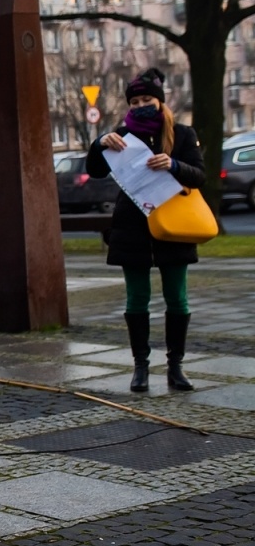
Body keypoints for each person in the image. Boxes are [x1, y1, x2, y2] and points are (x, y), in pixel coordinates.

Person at [86, 68, 205, 393]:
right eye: (135, 100)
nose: (140, 105)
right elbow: (95, 170)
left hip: (174, 229)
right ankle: (141, 367)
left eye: (147, 99)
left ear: (160, 101)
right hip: (133, 229)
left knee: (176, 299)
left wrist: (174, 165)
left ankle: (175, 367)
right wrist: (98, 144)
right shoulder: (122, 136)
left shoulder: (181, 134)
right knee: (137, 299)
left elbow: (200, 175)